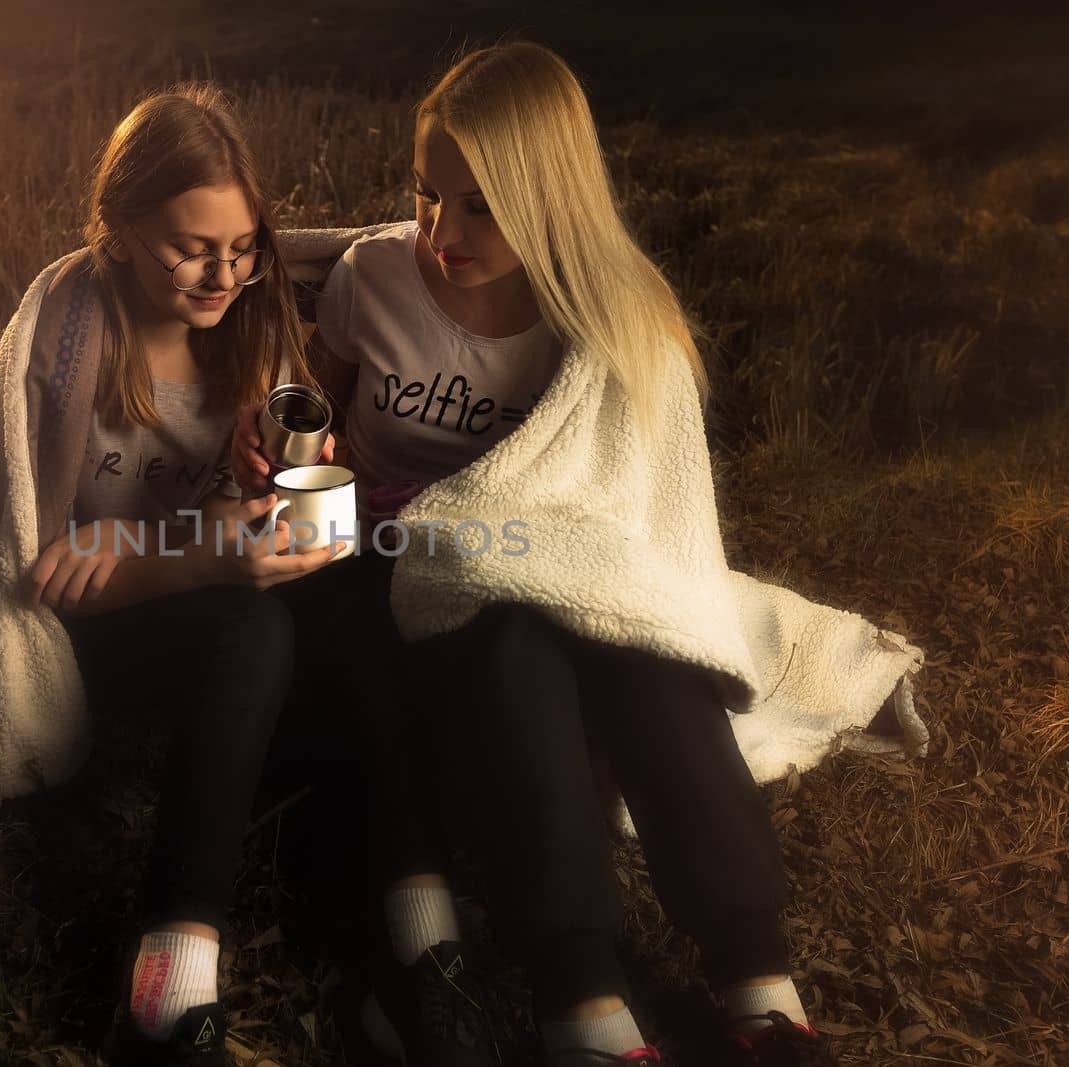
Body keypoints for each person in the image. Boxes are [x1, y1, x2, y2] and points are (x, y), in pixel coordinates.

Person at [233, 43, 848, 1067]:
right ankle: (582, 998)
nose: (441, 232)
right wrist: (289, 443)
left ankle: (759, 982)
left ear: (551, 198)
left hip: (565, 551)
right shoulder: (372, 276)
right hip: (413, 557)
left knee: (653, 658)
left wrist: (618, 587)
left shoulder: (616, 317)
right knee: (515, 645)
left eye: (480, 205)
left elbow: (643, 511)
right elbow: (318, 413)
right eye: (426, 194)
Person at [0, 84, 345, 1066]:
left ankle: (406, 926)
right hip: (110, 619)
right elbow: (39, 572)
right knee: (253, 630)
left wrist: (299, 497)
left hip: (205, 585)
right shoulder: (71, 328)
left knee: (341, 613)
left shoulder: (259, 307)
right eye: (190, 248)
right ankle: (166, 990)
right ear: (117, 230)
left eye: (240, 245)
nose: (220, 273)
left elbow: (318, 518)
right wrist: (202, 552)